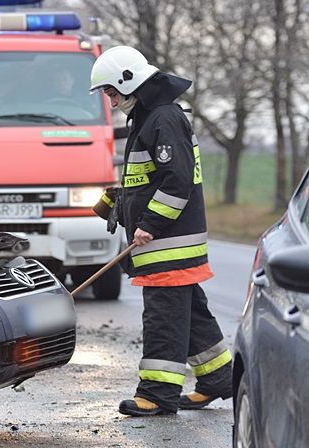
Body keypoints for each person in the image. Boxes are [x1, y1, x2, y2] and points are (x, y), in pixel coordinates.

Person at [89, 46, 232, 416]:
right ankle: (219, 378)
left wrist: (148, 225)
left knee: (164, 318)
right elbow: (148, 179)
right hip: (166, 241)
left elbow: (177, 181)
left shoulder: (163, 119)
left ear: (128, 81)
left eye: (110, 92)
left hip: (167, 243)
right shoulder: (149, 117)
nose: (110, 99)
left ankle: (157, 393)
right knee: (192, 313)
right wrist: (116, 203)